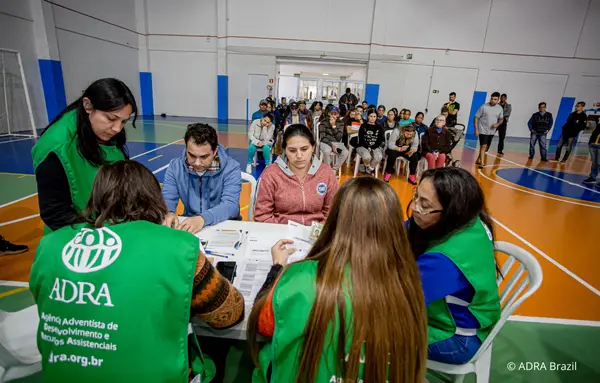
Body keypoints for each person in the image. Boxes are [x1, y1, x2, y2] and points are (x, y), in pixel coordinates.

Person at [30, 160, 244, 382]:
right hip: (151, 375)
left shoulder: (49, 245)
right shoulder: (177, 247)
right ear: (152, 197)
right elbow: (229, 314)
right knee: (214, 350)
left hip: (64, 375)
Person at [248, 177, 428, 383]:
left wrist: (277, 268)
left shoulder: (301, 276)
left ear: (336, 220)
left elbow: (263, 323)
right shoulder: (407, 282)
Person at [406, 167, 501, 365]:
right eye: (416, 197)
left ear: (451, 210)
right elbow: (401, 229)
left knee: (369, 330)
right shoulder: (468, 219)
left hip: (457, 337)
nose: (415, 207)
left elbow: (398, 302)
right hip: (474, 316)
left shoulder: (444, 260)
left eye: (425, 204)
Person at [32, 78, 137, 232]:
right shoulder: (56, 146)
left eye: (124, 122)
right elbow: (56, 214)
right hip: (76, 237)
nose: (117, 129)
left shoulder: (107, 133)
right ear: (88, 105)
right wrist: (98, 233)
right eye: (111, 118)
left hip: (109, 227)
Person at [162, 123, 241, 234]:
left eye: (204, 157)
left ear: (215, 151)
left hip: (224, 225)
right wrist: (168, 212)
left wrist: (202, 219)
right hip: (190, 225)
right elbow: (167, 198)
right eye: (192, 156)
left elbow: (230, 205)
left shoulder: (232, 168)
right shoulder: (175, 167)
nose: (197, 163)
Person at [254, 124, 339, 225]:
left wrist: (319, 234)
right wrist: (284, 233)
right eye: (292, 150)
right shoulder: (271, 174)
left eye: (304, 149)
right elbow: (262, 216)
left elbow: (331, 214)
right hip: (281, 234)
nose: (299, 155)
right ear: (285, 150)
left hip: (317, 235)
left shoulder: (326, 173)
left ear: (313, 148)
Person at [474, 92, 504, 167]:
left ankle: (478, 159)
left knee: (486, 147)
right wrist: (476, 129)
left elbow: (501, 119)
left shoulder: (500, 108)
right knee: (483, 146)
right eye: (492, 99)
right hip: (483, 130)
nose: (493, 100)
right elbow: (476, 117)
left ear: (498, 100)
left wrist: (497, 124)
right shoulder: (484, 107)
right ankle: (482, 163)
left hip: (492, 131)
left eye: (495, 99)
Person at [318, 106, 349, 171]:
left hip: (336, 142)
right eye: (332, 114)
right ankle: (328, 170)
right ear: (329, 113)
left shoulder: (341, 123)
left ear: (338, 114)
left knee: (345, 152)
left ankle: (334, 169)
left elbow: (338, 138)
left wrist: (333, 126)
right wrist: (331, 145)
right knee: (327, 151)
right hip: (325, 142)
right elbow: (322, 137)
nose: (333, 115)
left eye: (335, 114)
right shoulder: (323, 122)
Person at [357, 109, 385, 175]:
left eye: (374, 116)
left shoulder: (379, 127)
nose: (372, 118)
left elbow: (380, 140)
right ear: (367, 116)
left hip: (375, 146)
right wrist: (368, 147)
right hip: (363, 146)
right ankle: (366, 166)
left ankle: (369, 169)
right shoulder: (363, 125)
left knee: (379, 156)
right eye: (371, 116)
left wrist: (373, 147)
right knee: (367, 157)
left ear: (376, 117)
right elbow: (361, 139)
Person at [582, 121, 600, 186]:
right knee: (594, 163)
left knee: (599, 163)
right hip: (593, 144)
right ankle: (592, 177)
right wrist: (590, 142)